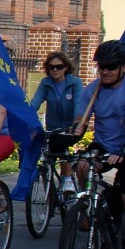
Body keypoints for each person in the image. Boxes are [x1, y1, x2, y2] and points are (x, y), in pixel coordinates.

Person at [72, 39, 125, 249]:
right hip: (104, 145)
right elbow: (81, 117)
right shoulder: (93, 89)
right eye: (101, 66)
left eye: (110, 67)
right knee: (82, 165)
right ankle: (89, 207)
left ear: (124, 67)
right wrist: (77, 127)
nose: (105, 71)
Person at [30, 51, 83, 192]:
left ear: (65, 67)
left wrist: (75, 123)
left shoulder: (75, 83)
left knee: (60, 145)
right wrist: (26, 116)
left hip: (73, 127)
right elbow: (35, 103)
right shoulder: (46, 83)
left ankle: (67, 179)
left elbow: (78, 105)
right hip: (53, 127)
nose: (55, 70)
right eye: (51, 67)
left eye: (59, 67)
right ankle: (49, 193)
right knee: (47, 158)